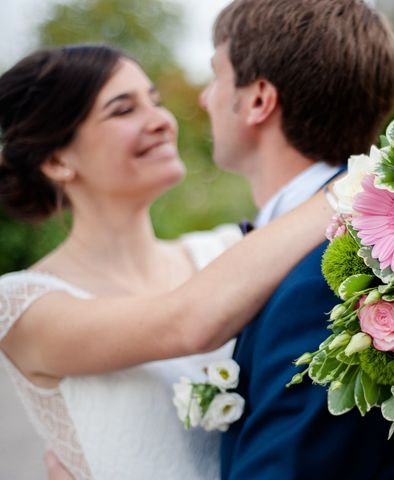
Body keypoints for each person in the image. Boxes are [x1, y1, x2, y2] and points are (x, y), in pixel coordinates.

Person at [0, 44, 336, 480]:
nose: (161, 121)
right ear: (58, 159)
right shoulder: (24, 304)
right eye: (123, 110)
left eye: (155, 102)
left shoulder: (223, 250)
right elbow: (187, 324)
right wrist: (354, 188)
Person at [206, 1, 394, 479]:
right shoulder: (383, 245)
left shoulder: (328, 276)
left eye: (216, 76)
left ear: (257, 100)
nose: (206, 98)